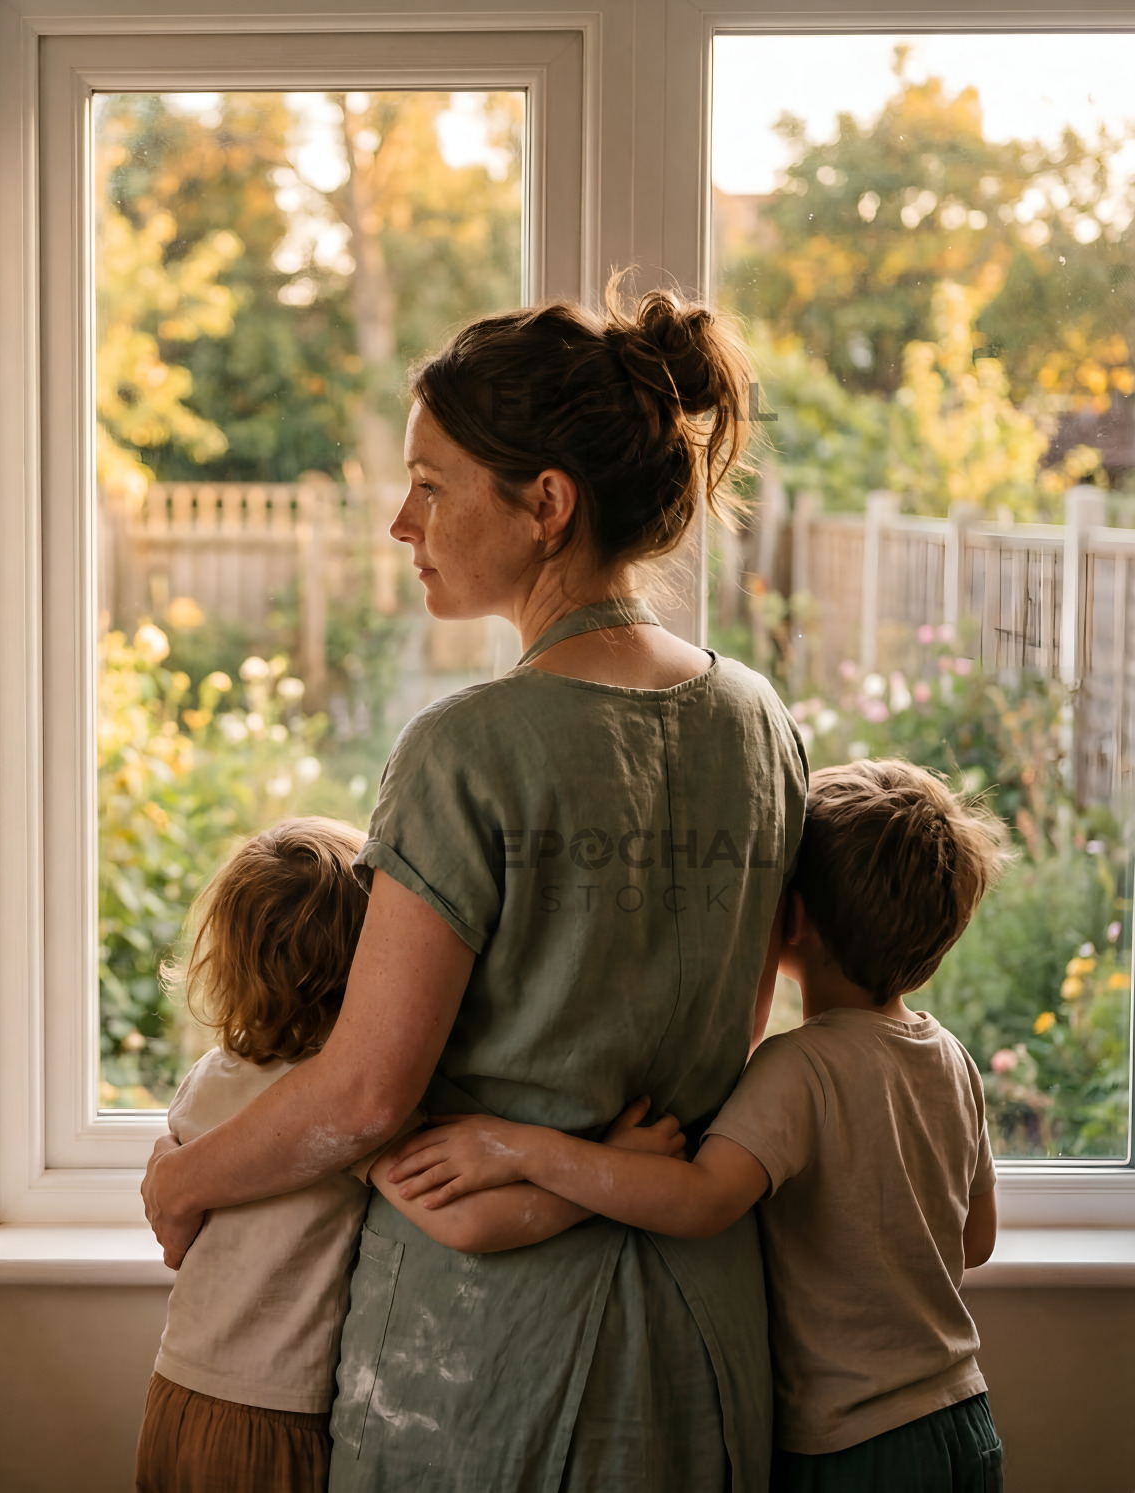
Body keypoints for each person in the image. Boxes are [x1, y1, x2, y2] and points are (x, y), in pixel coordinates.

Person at [142, 277, 809, 1492]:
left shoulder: (465, 748)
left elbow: (361, 1092)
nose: (403, 521)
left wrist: (184, 1175)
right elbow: (738, 1040)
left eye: (432, 484)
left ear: (545, 505)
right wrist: (589, 1176)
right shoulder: (759, 722)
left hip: (484, 1357)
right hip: (704, 1339)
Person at [383, 758, 1009, 1492]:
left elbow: (702, 1200)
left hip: (856, 1445)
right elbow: (975, 1238)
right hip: (963, 1416)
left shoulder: (800, 1067)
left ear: (792, 918)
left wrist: (525, 1147)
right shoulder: (949, 1056)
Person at [136, 818, 689, 1493]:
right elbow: (467, 1223)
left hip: (175, 1393)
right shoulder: (339, 1106)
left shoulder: (209, 1079)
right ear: (372, 967)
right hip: (272, 1416)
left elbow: (174, 1233)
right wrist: (604, 1170)